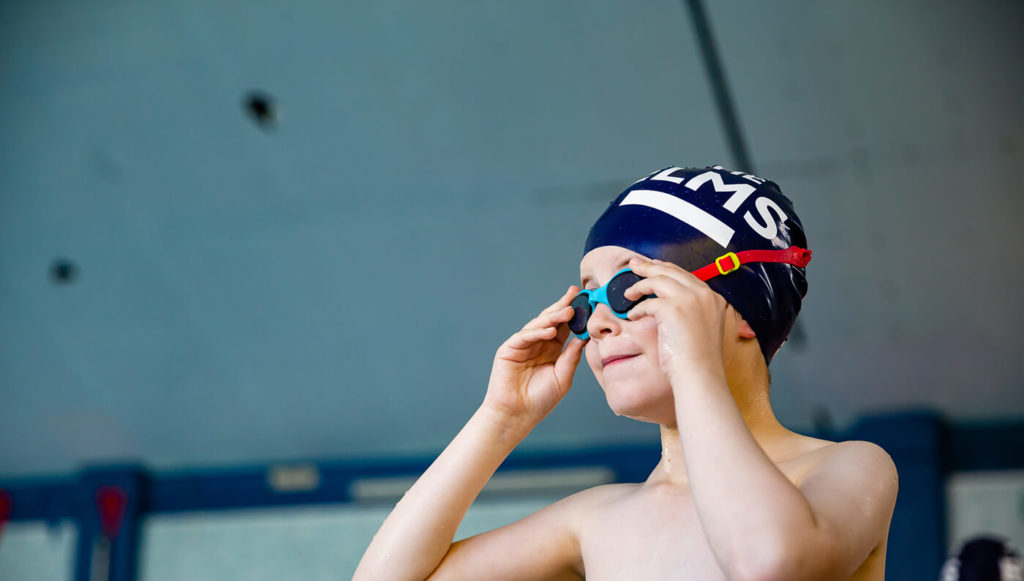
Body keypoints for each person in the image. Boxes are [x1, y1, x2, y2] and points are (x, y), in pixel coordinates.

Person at [353, 165, 899, 580]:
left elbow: (768, 561)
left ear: (737, 312)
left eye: (628, 288)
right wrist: (502, 418)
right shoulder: (597, 518)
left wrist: (692, 363)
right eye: (588, 302)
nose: (599, 324)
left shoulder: (850, 468)